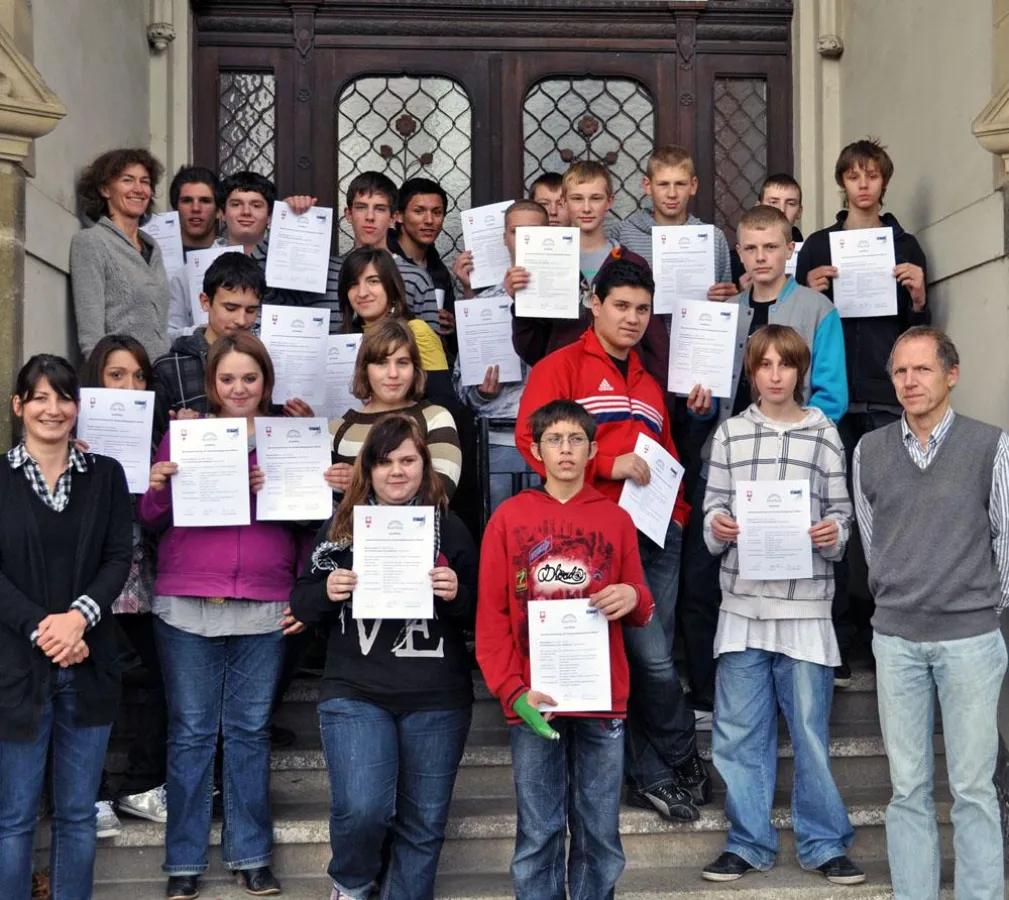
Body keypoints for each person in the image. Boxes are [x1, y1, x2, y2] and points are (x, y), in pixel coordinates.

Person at [516, 259, 707, 822]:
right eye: (621, 305)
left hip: (657, 535)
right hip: (592, 539)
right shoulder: (560, 366)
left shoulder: (648, 381)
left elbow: (667, 455)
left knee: (655, 659)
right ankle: (676, 759)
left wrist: (679, 514)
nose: (632, 318)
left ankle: (657, 771)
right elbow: (532, 441)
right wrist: (605, 465)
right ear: (594, 304)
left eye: (642, 309)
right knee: (640, 660)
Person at [138, 332, 310, 900]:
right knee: (190, 734)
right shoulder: (185, 435)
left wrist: (282, 490)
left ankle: (251, 855)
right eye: (228, 378)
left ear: (266, 382)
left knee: (248, 733)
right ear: (212, 383)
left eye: (250, 378)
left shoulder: (287, 438)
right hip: (187, 602)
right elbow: (150, 518)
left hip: (264, 601)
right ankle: (184, 862)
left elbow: (312, 524)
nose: (239, 388)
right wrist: (160, 486)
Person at [699, 324, 863, 886]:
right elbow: (712, 512)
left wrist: (832, 533)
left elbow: (842, 515)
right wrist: (719, 525)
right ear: (751, 372)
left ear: (800, 372)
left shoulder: (824, 434)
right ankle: (748, 842)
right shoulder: (730, 434)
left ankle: (823, 842)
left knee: (810, 734)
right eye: (764, 365)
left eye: (785, 365)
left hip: (805, 608)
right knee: (739, 735)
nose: (775, 375)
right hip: (743, 607)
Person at [290, 414, 476, 900]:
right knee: (363, 809)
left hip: (437, 695)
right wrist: (327, 590)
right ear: (368, 469)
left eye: (408, 460)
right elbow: (302, 603)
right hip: (357, 690)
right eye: (385, 461)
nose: (397, 471)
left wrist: (456, 592)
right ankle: (352, 884)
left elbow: (481, 610)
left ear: (425, 466)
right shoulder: (342, 527)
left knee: (424, 824)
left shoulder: (448, 526)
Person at [853, 326, 1009, 900]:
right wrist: (900, 595)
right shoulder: (869, 451)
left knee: (973, 789)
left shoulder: (991, 446)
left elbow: (1006, 539)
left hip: (970, 640)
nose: (910, 381)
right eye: (900, 371)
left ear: (951, 375)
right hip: (896, 641)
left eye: (922, 369)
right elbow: (872, 542)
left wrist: (978, 605)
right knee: (907, 789)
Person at [477, 399, 654, 900]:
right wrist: (513, 692)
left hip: (601, 699)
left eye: (576, 439)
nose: (566, 449)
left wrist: (633, 596)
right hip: (535, 701)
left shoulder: (616, 519)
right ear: (536, 451)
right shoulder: (509, 518)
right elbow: (490, 619)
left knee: (600, 831)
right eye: (554, 439)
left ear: (593, 450)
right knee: (539, 832)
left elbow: (642, 603)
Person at [679, 205, 847, 726]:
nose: (760, 257)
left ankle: (783, 692)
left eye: (770, 247)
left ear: (789, 249)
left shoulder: (818, 309)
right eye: (750, 249)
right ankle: (707, 694)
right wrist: (699, 407)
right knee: (702, 578)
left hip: (794, 469)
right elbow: (711, 396)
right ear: (739, 253)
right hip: (725, 461)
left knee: (788, 570)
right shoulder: (724, 311)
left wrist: (791, 439)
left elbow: (832, 396)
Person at [795, 137, 929, 682]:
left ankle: (885, 630)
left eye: (872, 175)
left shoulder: (905, 244)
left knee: (890, 514)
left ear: (884, 182)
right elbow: (794, 322)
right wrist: (809, 288)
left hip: (885, 396)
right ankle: (838, 632)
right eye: (854, 175)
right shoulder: (818, 246)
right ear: (842, 182)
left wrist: (918, 296)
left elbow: (919, 330)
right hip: (829, 399)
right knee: (831, 513)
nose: (864, 184)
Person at [0, 354, 132, 900]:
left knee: (78, 815)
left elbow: (118, 557)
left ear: (78, 407)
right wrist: (44, 631)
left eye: (63, 397)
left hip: (90, 664)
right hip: (15, 670)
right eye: (40, 397)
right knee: (13, 817)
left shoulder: (105, 475)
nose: (52, 409)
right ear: (18, 406)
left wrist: (78, 619)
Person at [80, 336, 168, 838]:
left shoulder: (156, 437)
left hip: (143, 576)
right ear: (95, 378)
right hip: (91, 580)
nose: (130, 386)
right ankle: (89, 792)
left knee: (163, 676)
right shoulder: (72, 437)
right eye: (117, 375)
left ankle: (142, 784)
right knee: (94, 680)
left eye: (138, 376)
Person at [510, 161, 670, 387]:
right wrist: (521, 303)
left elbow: (655, 343)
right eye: (577, 199)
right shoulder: (546, 262)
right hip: (565, 385)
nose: (586, 208)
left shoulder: (632, 263)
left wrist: (658, 400)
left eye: (595, 198)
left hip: (621, 386)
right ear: (564, 202)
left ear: (609, 202)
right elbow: (532, 349)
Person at [452, 200, 545, 512]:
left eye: (534, 232)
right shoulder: (482, 304)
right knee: (502, 529)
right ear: (505, 238)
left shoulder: (572, 298)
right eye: (517, 232)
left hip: (559, 440)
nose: (524, 240)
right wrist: (482, 393)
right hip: (500, 442)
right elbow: (461, 387)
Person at [275, 173, 440, 333]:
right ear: (348, 214)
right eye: (361, 207)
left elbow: (431, 347)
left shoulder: (416, 279)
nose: (370, 217)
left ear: (393, 217)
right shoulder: (320, 272)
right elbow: (274, 309)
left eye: (380, 209)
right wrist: (287, 221)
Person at [327, 320, 462, 500]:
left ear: (415, 369)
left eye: (402, 363)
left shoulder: (435, 418)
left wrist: (363, 481)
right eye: (382, 363)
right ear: (365, 370)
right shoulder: (337, 430)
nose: (393, 374)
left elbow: (439, 492)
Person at [70, 148, 171, 359]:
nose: (139, 189)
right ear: (105, 189)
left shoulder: (152, 248)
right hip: (122, 373)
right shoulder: (92, 242)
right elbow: (91, 336)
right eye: (127, 180)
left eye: (145, 182)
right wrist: (107, 373)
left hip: (160, 373)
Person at [154, 251, 265, 441]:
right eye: (231, 308)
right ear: (205, 302)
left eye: (251, 310)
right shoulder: (169, 368)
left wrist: (297, 420)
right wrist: (175, 433)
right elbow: (153, 443)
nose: (241, 320)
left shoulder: (264, 361)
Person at [336, 246, 453, 408]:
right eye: (353, 283)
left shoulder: (416, 332)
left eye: (373, 281)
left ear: (391, 286)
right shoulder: (343, 342)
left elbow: (445, 404)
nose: (362, 293)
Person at [616, 144, 734, 301]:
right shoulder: (624, 234)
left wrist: (727, 296)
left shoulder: (714, 238)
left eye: (680, 184)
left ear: (693, 186)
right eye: (663, 184)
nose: (672, 194)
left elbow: (725, 301)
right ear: (648, 186)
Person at [168, 170, 275, 340]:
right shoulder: (188, 273)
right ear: (222, 213)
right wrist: (205, 332)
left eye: (256, 205)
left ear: (270, 217)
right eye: (236, 204)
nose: (246, 212)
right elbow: (169, 334)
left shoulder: (287, 269)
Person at [387, 176, 457, 339]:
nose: (429, 220)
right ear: (398, 216)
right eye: (419, 211)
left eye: (437, 212)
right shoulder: (383, 261)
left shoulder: (439, 272)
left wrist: (451, 326)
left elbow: (450, 344)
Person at [730, 173, 805, 287]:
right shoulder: (734, 261)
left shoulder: (809, 253)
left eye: (790, 203)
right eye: (773, 202)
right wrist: (741, 291)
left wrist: (809, 287)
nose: (782, 209)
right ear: (758, 206)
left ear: (799, 211)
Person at [169, 165, 221, 254]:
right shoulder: (156, 257)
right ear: (175, 209)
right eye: (187, 201)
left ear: (218, 211)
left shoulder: (235, 256)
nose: (195, 208)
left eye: (205, 201)